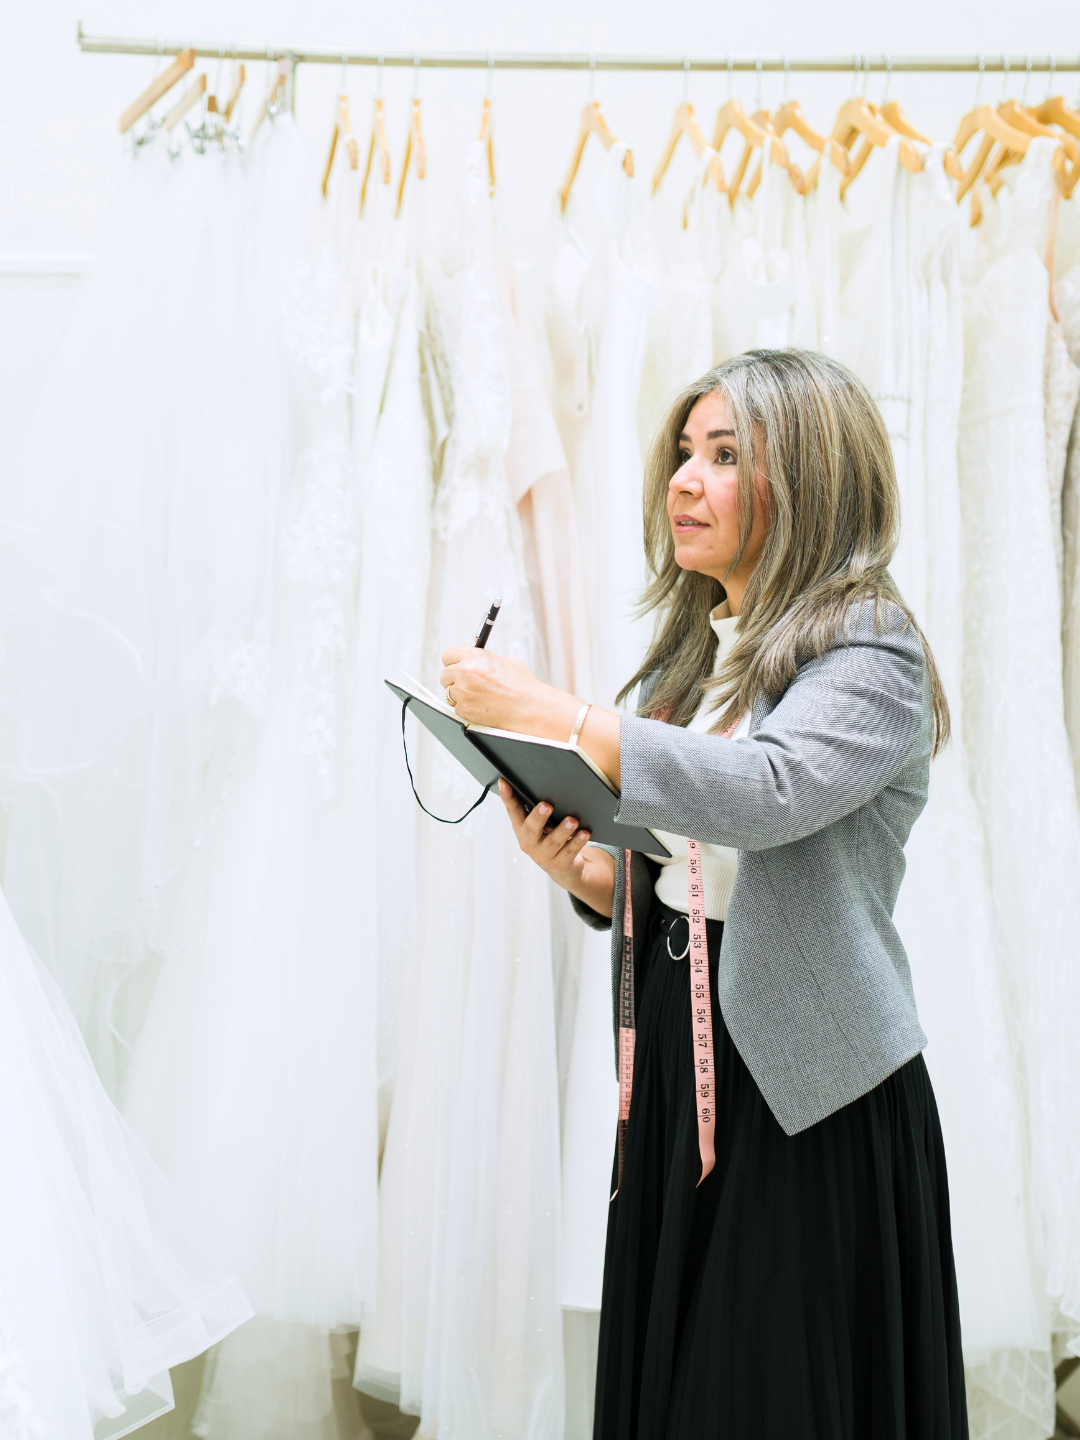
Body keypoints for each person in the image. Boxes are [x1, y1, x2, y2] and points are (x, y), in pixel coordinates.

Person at [439, 349, 967, 1439]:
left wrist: (554, 713)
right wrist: (590, 875)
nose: (683, 479)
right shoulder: (704, 654)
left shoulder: (874, 652)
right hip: (686, 1087)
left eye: (725, 456)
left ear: (811, 479)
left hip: (803, 1102)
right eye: (685, 451)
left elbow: (767, 795)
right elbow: (698, 869)